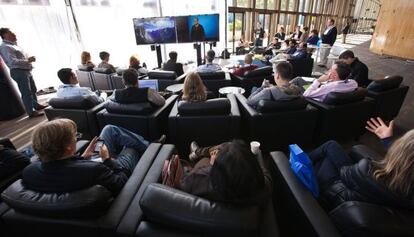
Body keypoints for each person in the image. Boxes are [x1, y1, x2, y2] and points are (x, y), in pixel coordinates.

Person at [22, 118, 152, 196]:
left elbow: (63, 170)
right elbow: (121, 182)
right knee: (130, 148)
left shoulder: (29, 171)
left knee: (108, 130)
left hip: (82, 166)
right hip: (111, 169)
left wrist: (83, 158)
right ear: (68, 147)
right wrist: (107, 159)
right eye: (75, 136)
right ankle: (151, 148)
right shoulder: (94, 170)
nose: (76, 138)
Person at [309, 117, 414, 211]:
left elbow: (345, 171)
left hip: (337, 193)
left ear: (399, 150)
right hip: (368, 199)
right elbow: (408, 159)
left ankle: (295, 165)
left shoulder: (366, 169)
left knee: (330, 147)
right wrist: (387, 140)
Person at [180, 140, 271, 204]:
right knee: (228, 147)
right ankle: (197, 152)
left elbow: (184, 179)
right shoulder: (264, 188)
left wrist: (212, 165)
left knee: (217, 151)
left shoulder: (197, 181)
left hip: (204, 166)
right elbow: (263, 172)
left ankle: (197, 153)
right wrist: (253, 156)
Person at [0, 28, 46, 117]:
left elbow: (20, 58)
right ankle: (31, 112)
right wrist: (28, 60)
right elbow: (12, 61)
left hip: (26, 70)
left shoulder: (14, 45)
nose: (14, 34)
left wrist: (28, 60)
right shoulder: (4, 47)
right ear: (5, 35)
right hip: (18, 71)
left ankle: (36, 105)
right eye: (11, 33)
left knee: (33, 89)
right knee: (26, 92)